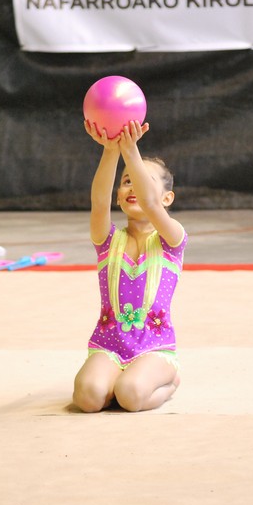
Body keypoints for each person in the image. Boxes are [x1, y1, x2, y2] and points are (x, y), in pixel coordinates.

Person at [72, 118, 187, 413]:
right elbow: (99, 202)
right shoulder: (108, 240)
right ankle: (113, 382)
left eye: (142, 181)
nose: (133, 186)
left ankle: (169, 382)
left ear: (167, 198)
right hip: (109, 345)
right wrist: (111, 150)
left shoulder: (171, 240)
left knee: (130, 394)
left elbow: (150, 204)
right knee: (87, 398)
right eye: (126, 182)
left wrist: (130, 149)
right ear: (119, 197)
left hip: (154, 347)